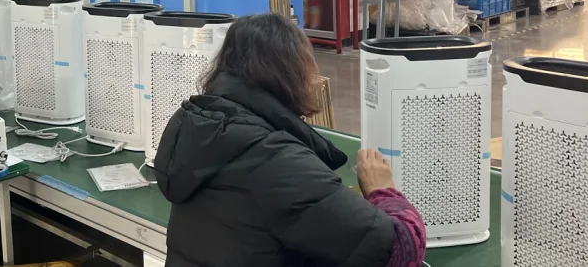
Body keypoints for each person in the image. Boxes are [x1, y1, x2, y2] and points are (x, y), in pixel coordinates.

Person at [154, 14, 426, 267]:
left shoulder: (199, 128)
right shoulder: (275, 160)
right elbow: (400, 248)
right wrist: (384, 192)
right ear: (292, 72)